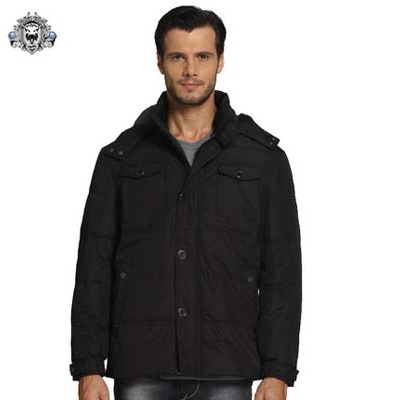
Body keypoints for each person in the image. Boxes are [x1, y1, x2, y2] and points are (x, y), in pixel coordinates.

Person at [69, 5, 302, 400]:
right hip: (142, 366)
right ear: (159, 61)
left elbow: (282, 272)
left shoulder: (263, 160)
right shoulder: (121, 158)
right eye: (178, 56)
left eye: (203, 56)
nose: (190, 70)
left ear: (220, 61)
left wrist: (278, 371)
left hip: (228, 367)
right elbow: (94, 266)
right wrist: (89, 367)